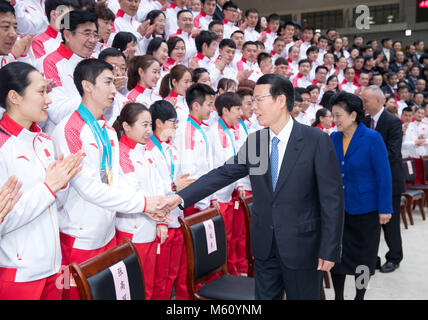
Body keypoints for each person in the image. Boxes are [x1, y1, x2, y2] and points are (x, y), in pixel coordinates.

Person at [167, 74, 344, 300]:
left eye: (259, 100)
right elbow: (223, 174)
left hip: (303, 247)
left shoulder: (315, 140)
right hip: (264, 247)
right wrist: (180, 198)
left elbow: (332, 199)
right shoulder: (257, 141)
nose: (252, 107)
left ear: (280, 101)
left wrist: (330, 248)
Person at [50, 58, 170, 300]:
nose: (115, 89)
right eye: (108, 82)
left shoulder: (107, 131)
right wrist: (144, 204)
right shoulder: (69, 129)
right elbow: (87, 187)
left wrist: (145, 206)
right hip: (79, 236)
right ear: (87, 86)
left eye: (115, 82)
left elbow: (113, 179)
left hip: (108, 231)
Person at [0, 61, 83, 299]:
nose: (48, 100)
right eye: (41, 92)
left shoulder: (44, 141)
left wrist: (63, 181)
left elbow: (54, 204)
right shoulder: (2, 146)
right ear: (14, 96)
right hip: (19, 273)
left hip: (54, 267)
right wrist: (50, 187)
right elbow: (4, 220)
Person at [329, 91, 392, 300]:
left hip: (366, 209)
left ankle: (359, 296)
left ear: (353, 115)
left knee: (363, 258)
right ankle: (338, 297)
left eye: (338, 115)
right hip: (339, 210)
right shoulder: (334, 138)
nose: (334, 120)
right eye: (333, 115)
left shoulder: (372, 138)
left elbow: (384, 176)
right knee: (337, 256)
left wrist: (385, 208)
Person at [113, 102, 161, 300]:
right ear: (126, 126)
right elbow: (132, 191)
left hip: (150, 223)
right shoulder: (122, 152)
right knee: (134, 288)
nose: (149, 130)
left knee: (148, 284)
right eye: (144, 125)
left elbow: (157, 184)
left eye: (150, 125)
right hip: (132, 230)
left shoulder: (146, 149)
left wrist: (161, 218)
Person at [146, 100, 194, 300]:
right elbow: (151, 188)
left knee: (171, 274)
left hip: (175, 216)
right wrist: (173, 188)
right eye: (172, 122)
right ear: (159, 123)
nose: (176, 126)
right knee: (157, 278)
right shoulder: (148, 149)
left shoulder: (172, 148)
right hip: (159, 221)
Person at [360, 86, 406, 274]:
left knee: (390, 223)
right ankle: (373, 258)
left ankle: (394, 257)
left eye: (366, 101)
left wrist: (366, 160)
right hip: (368, 182)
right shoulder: (362, 121)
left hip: (389, 181)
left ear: (378, 101)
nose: (363, 104)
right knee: (370, 223)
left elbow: (393, 153)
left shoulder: (393, 122)